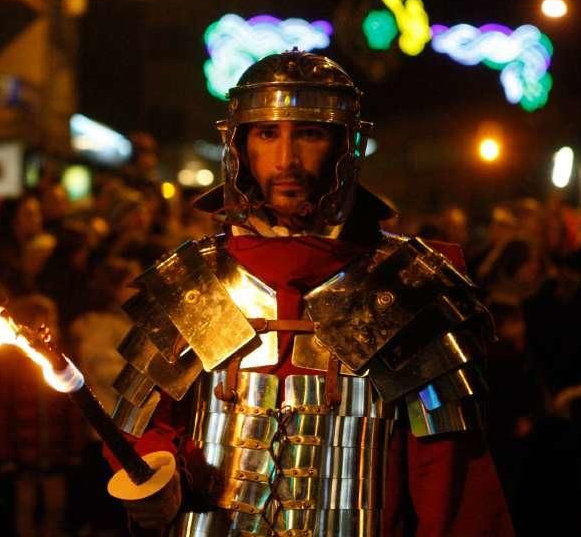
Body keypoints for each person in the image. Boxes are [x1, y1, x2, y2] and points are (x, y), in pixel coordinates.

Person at [103, 51, 513, 536]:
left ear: (344, 145)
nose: (287, 161)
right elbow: (141, 434)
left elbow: (451, 483)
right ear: (239, 147)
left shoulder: (406, 286)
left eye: (310, 134)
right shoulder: (192, 282)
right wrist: (158, 475)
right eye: (267, 133)